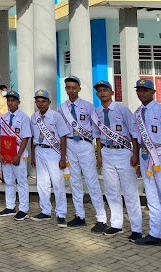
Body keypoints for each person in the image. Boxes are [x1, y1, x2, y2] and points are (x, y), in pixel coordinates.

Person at [130, 78, 161, 257]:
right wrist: (136, 159)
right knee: (152, 199)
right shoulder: (137, 113)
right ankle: (155, 234)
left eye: (145, 90)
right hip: (145, 159)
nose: (141, 93)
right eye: (139, 90)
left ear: (153, 92)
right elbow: (135, 138)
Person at [91, 81, 142, 241]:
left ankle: (137, 229)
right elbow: (98, 136)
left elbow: (134, 133)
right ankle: (116, 224)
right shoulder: (97, 112)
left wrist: (135, 154)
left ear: (111, 92)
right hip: (107, 152)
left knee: (130, 192)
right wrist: (99, 155)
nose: (102, 93)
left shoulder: (122, 109)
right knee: (111, 191)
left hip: (124, 153)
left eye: (105, 90)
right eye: (99, 91)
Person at [58, 76, 107, 232]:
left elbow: (97, 131)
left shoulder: (88, 106)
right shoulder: (62, 108)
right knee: (74, 182)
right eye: (68, 87)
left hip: (85, 144)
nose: (71, 90)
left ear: (79, 89)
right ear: (65, 89)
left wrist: (98, 153)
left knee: (92, 181)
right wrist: (63, 154)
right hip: (70, 144)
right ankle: (80, 216)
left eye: (74, 87)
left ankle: (101, 218)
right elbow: (62, 133)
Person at [30, 89, 70, 227]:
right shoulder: (34, 117)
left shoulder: (56, 116)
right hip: (39, 150)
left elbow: (63, 137)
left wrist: (63, 157)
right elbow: (32, 138)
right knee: (42, 184)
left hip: (53, 152)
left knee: (58, 183)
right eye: (38, 101)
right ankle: (45, 211)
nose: (40, 104)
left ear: (49, 102)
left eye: (43, 101)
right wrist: (33, 156)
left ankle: (61, 213)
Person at [0, 90, 31, 221]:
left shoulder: (23, 118)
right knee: (9, 181)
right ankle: (10, 206)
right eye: (8, 101)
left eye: (13, 100)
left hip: (18, 153)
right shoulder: (3, 118)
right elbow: (0, 137)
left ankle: (23, 209)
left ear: (18, 102)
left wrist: (18, 155)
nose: (10, 103)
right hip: (5, 153)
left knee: (21, 181)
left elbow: (25, 138)